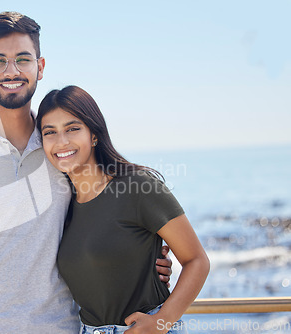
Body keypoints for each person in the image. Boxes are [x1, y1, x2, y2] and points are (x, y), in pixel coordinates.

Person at [0, 12, 173, 333]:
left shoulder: (61, 147)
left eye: (23, 59)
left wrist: (147, 259)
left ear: (40, 67)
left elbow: (108, 212)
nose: (12, 71)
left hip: (64, 328)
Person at [36, 85, 210, 334]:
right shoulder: (63, 205)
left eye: (73, 128)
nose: (61, 141)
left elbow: (197, 260)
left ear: (93, 134)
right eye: (50, 132)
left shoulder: (138, 186)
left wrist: (161, 322)